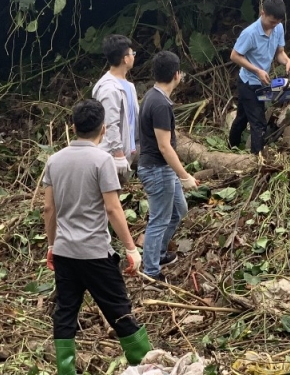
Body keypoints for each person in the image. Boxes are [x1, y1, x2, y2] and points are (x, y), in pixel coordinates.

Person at [43, 99, 150, 375]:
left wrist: (52, 244)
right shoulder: (102, 161)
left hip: (66, 252)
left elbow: (49, 208)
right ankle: (147, 365)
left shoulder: (54, 161)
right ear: (103, 129)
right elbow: (113, 208)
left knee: (66, 312)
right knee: (120, 311)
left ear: (74, 127)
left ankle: (66, 371)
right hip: (95, 253)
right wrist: (131, 249)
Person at [135, 50, 199, 281]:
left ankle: (159, 252)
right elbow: (164, 146)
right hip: (157, 169)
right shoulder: (160, 104)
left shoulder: (153, 97)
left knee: (179, 210)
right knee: (159, 219)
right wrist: (185, 175)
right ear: (177, 75)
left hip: (162, 168)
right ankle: (151, 271)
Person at [228, 0, 290, 154]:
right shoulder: (250, 34)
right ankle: (257, 160)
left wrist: (287, 61)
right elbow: (235, 56)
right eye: (272, 22)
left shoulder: (278, 28)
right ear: (263, 13)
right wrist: (257, 70)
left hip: (262, 81)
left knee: (242, 118)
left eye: (278, 22)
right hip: (249, 83)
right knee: (258, 123)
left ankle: (231, 147)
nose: (275, 25)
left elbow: (279, 53)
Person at [92, 34, 140, 185]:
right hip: (111, 155)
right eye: (132, 53)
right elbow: (111, 123)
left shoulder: (129, 86)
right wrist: (118, 154)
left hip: (129, 151)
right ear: (125, 59)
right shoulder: (108, 89)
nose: (133, 57)